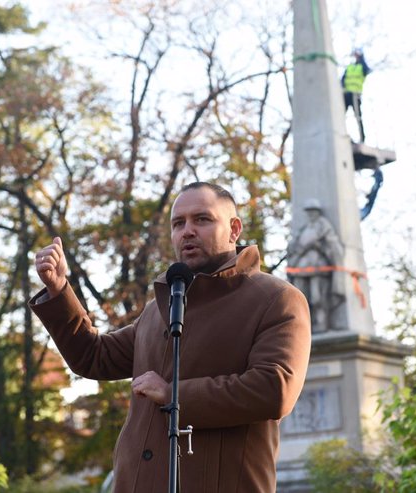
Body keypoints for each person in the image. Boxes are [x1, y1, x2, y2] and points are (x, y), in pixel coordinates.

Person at [29, 182, 311, 493]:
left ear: (234, 230)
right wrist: (59, 291)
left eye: (202, 219)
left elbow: (274, 389)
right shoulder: (159, 308)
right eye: (179, 223)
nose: (187, 231)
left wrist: (173, 394)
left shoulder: (277, 299)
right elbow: (95, 358)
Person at [287, 199, 345, 333]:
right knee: (300, 298)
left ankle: (321, 324)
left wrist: (320, 247)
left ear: (318, 212)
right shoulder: (304, 228)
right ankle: (303, 327)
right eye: (309, 211)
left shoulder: (323, 227)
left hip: (318, 266)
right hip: (301, 268)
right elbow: (293, 246)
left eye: (313, 211)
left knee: (317, 298)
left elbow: (333, 246)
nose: (311, 214)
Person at [341, 48, 371, 142]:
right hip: (346, 95)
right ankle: (342, 134)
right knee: (341, 116)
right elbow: (342, 80)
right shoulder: (350, 67)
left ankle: (362, 138)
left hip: (356, 95)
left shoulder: (362, 67)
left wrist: (361, 58)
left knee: (358, 117)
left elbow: (366, 70)